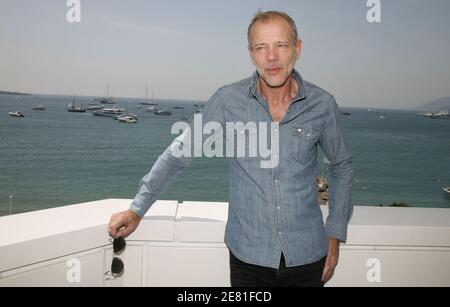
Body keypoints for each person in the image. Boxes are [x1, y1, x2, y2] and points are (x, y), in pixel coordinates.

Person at [108, 10, 352, 287]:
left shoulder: (322, 105)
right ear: (251, 53)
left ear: (297, 48)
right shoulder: (227, 101)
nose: (271, 57)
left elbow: (342, 165)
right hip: (248, 259)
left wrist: (335, 234)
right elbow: (179, 154)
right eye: (261, 47)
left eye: (281, 45)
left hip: (308, 256)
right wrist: (137, 209)